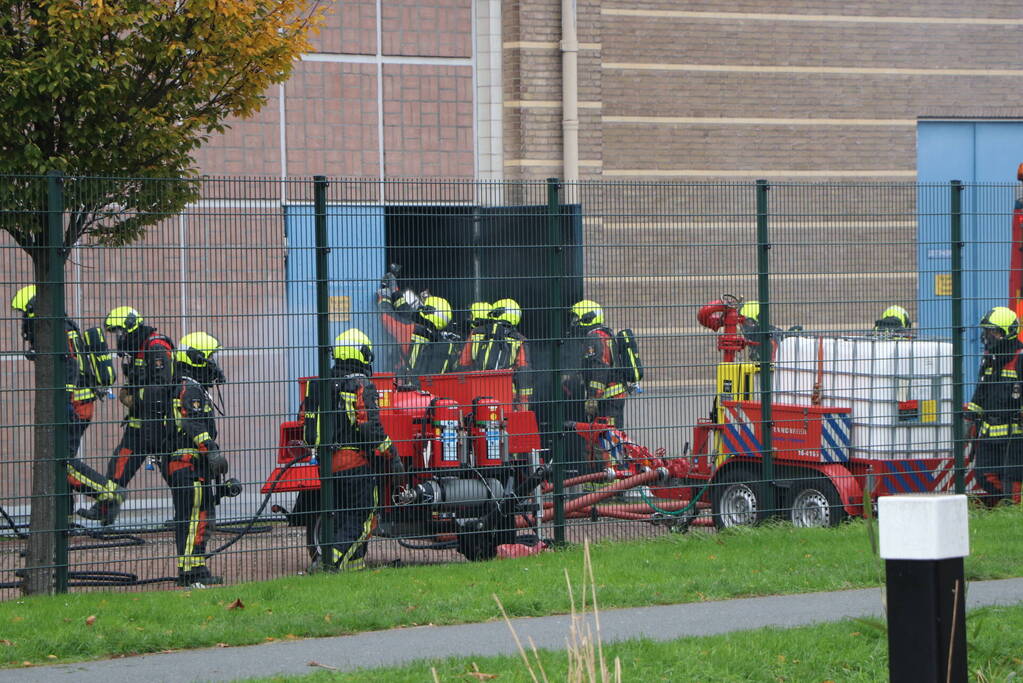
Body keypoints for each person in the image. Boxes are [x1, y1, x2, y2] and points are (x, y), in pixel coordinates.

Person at [10, 286, 124, 524]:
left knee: (62, 461)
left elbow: (70, 366)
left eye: (25, 314)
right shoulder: (61, 327)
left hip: (75, 406)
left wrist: (64, 401)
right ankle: (65, 519)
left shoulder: (58, 330)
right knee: (61, 460)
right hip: (76, 404)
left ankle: (108, 494)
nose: (23, 320)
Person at [302, 328, 401, 570]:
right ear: (362, 354)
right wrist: (393, 455)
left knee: (343, 517)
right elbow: (370, 428)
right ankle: (330, 563)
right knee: (364, 518)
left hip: (326, 466)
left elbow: (308, 434)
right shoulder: (360, 385)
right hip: (354, 463)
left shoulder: (317, 385)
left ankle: (355, 568)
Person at [79, 306, 175, 523]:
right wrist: (126, 391)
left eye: (119, 332)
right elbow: (138, 379)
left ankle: (187, 515)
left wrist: (134, 398)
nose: (118, 338)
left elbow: (163, 385)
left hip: (161, 424)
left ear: (131, 327)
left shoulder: (156, 346)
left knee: (173, 471)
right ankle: (105, 510)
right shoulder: (136, 348)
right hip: (139, 424)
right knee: (119, 464)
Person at [163, 330, 228, 587]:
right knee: (193, 519)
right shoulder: (190, 388)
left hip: (187, 464)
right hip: (187, 464)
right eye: (211, 358)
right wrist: (210, 448)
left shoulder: (186, 385)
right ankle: (190, 574)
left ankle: (197, 569)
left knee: (197, 518)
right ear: (197, 359)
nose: (214, 364)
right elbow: (190, 422)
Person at [965, 306, 1023, 504]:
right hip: (989, 433)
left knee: (1012, 479)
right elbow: (981, 392)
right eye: (986, 332)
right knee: (983, 475)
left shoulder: (1020, 359)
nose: (987, 337)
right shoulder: (990, 359)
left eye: (993, 332)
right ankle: (1003, 507)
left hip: (1015, 435)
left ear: (1008, 334)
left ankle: (1011, 511)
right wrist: (969, 417)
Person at [565, 299, 625, 429]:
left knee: (608, 437)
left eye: (577, 318)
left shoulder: (594, 338)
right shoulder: (603, 334)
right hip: (610, 398)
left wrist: (593, 397)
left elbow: (600, 369)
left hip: (607, 399)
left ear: (587, 318)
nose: (574, 322)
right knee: (607, 436)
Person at [378, 292, 460, 379]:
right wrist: (395, 292)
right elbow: (407, 313)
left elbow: (386, 317)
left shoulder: (411, 329)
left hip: (403, 386)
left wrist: (384, 297)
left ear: (428, 311)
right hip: (427, 387)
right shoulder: (440, 340)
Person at [473, 298, 533, 410]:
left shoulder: (476, 333)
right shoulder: (519, 339)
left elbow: (463, 363)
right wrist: (523, 405)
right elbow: (524, 372)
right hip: (506, 394)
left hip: (476, 391)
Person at [458, 301, 492, 370]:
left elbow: (464, 361)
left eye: (470, 314)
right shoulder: (496, 333)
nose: (469, 317)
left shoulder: (472, 333)